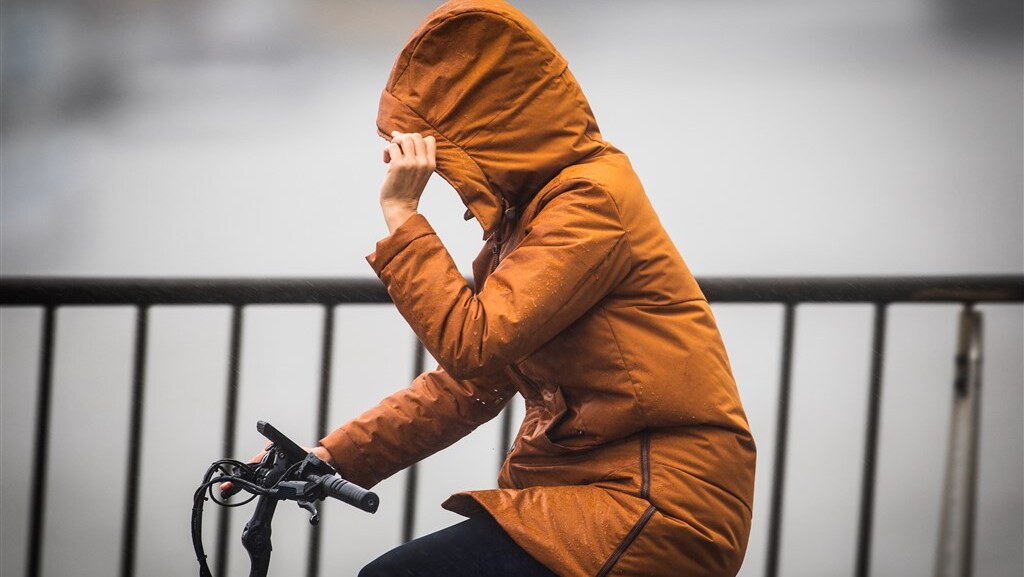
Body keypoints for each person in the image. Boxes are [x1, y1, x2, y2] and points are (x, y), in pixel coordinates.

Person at [245, 1, 756, 575]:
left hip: (654, 506)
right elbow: (468, 386)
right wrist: (329, 457)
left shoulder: (591, 203)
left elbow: (473, 344)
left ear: (490, 139)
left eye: (452, 162)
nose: (452, 182)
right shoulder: (530, 225)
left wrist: (403, 214)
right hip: (588, 498)